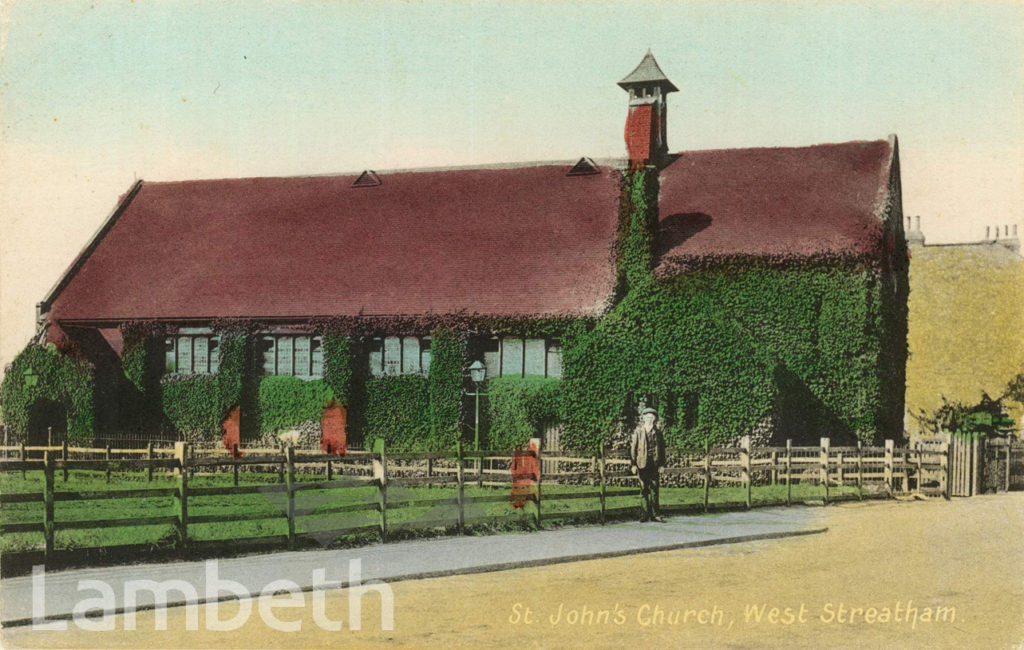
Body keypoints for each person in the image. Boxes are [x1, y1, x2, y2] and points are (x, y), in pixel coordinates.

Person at [629, 405, 666, 522]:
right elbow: (633, 449)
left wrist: (662, 465)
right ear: (643, 418)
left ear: (654, 419)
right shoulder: (638, 432)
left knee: (655, 490)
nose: (650, 419)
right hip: (642, 464)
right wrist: (633, 464)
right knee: (644, 489)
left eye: (652, 417)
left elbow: (663, 449)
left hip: (654, 465)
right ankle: (644, 515)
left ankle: (656, 515)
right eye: (647, 417)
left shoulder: (658, 433)